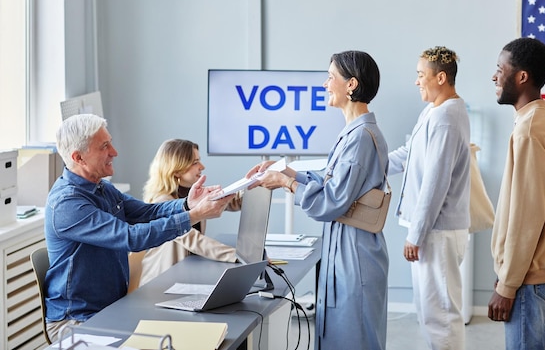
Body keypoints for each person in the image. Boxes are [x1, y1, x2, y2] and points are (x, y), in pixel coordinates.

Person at [44, 114, 235, 342]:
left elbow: (147, 212)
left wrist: (187, 203)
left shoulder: (101, 187)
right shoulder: (67, 204)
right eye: (105, 146)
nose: (114, 152)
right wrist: (193, 215)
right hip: (77, 321)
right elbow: (131, 238)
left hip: (111, 309)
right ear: (79, 157)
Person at [246, 50, 389, 350]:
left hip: (355, 255)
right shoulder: (353, 133)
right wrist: (286, 172)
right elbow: (329, 183)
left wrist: (285, 182)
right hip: (346, 248)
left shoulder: (361, 136)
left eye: (330, 78)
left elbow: (332, 201)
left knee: (352, 339)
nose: (325, 84)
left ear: (351, 84)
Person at [488, 37, 545, 349]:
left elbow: (527, 218)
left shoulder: (529, 131)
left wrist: (508, 285)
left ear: (521, 76)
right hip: (533, 271)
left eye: (501, 69)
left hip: (528, 276)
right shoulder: (541, 119)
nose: (495, 76)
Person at [387, 46, 471, 350]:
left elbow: (436, 183)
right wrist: (368, 162)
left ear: (441, 77)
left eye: (421, 75)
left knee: (442, 317)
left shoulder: (447, 118)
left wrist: (416, 234)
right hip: (432, 232)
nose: (416, 81)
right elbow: (408, 155)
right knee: (429, 311)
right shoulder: (433, 111)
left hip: (438, 232)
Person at [136, 139, 238, 287]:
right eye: (195, 162)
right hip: (160, 285)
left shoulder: (191, 194)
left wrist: (255, 183)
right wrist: (238, 256)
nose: (202, 167)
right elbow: (194, 240)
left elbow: (229, 200)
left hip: (184, 276)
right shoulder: (162, 203)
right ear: (177, 169)